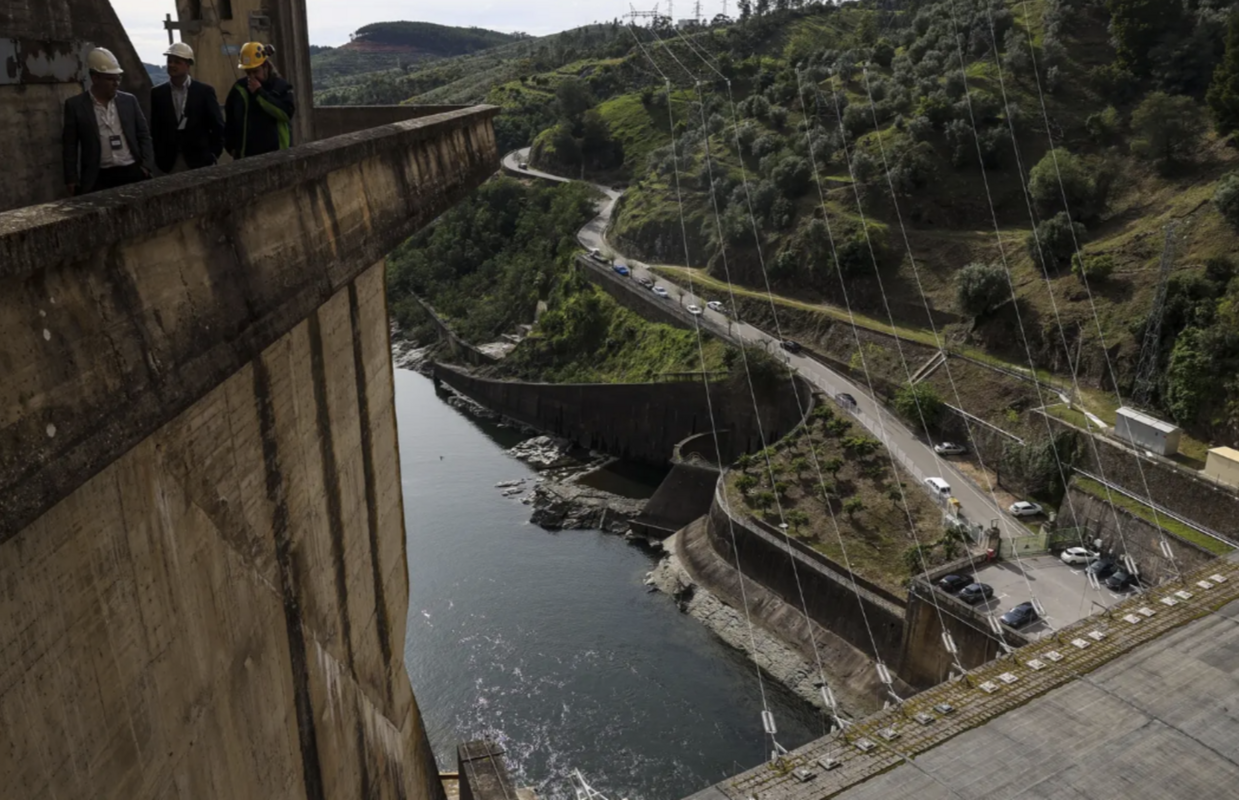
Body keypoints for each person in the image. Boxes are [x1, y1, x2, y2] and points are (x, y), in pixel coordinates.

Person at [62, 47, 154, 195]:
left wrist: (146, 166)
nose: (116, 83)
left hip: (131, 171)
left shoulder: (129, 101)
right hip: (98, 176)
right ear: (95, 78)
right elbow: (70, 145)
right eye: (110, 79)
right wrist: (71, 178)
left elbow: (143, 134)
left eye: (118, 78)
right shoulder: (75, 106)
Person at [150, 42, 224, 174]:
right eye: (169, 61)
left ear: (188, 65)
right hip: (168, 162)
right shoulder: (157, 93)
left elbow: (217, 125)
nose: (171, 65)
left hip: (200, 160)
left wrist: (213, 154)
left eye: (177, 62)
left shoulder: (204, 92)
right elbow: (155, 128)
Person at [224, 42, 295, 159]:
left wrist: (259, 93)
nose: (252, 77)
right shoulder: (239, 89)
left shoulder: (281, 86)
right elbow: (230, 120)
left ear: (265, 66)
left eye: (255, 71)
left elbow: (286, 114)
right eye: (248, 72)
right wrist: (231, 147)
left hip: (277, 156)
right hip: (246, 158)